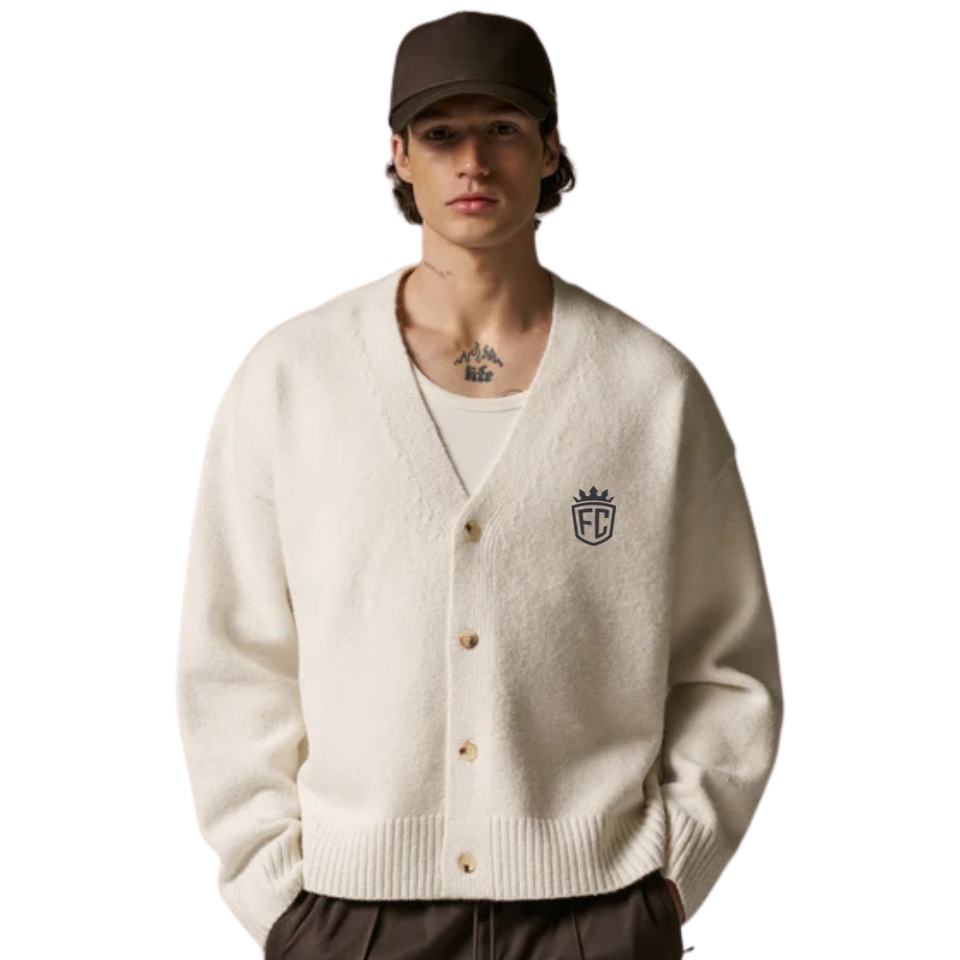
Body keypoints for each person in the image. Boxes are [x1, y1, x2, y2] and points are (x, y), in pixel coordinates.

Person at [175, 11, 784, 959]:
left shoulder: (649, 390)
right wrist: (278, 896)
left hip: (597, 909)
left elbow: (725, 664)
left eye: (502, 128)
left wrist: (671, 880)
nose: (472, 162)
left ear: (549, 149)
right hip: (349, 913)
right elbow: (234, 651)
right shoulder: (294, 380)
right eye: (440, 133)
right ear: (399, 155)